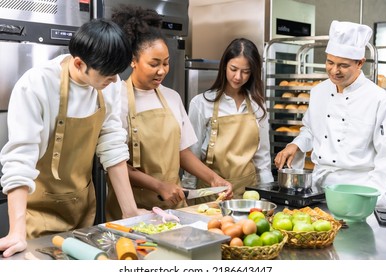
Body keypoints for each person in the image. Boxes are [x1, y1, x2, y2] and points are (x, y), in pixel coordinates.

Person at [0, 18, 148, 258]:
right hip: (38, 216)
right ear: (79, 64)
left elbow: (112, 146)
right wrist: (16, 232)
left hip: (83, 210)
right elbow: (20, 159)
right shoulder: (37, 84)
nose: (114, 82)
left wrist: (130, 211)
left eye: (116, 75)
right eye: (108, 76)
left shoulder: (110, 83)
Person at [105, 6, 233, 220]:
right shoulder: (115, 99)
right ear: (133, 61)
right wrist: (159, 186)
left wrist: (213, 179)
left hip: (175, 206)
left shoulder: (172, 97)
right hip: (132, 209)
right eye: (154, 64)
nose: (162, 70)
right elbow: (114, 163)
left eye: (166, 63)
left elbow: (182, 153)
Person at [274, 20, 386, 207]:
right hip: (319, 188)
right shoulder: (318, 91)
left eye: (343, 65)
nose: (334, 71)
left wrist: (374, 199)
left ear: (360, 63)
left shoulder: (378, 99)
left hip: (358, 191)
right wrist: (295, 145)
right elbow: (311, 130)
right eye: (330, 62)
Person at [181, 38, 274, 201]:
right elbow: (192, 155)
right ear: (224, 65)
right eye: (233, 69)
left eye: (246, 71)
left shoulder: (258, 105)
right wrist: (188, 193)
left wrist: (268, 193)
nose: (238, 77)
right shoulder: (201, 103)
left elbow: (263, 159)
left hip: (249, 194)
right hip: (212, 193)